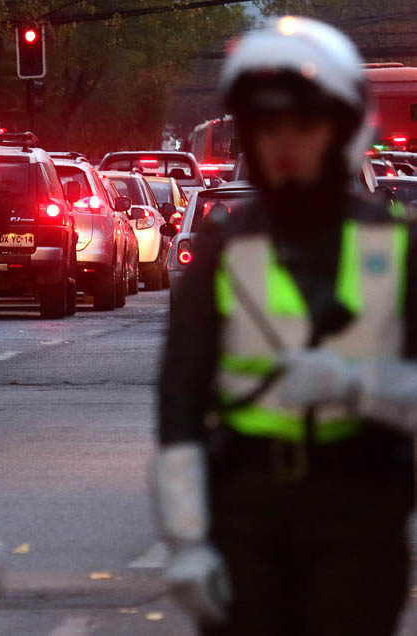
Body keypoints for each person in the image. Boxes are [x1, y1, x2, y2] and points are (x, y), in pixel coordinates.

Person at [155, 16, 417, 636]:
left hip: (361, 514)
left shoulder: (397, 249)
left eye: (303, 124)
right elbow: (179, 410)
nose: (284, 144)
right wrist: (188, 539)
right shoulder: (220, 250)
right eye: (267, 126)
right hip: (245, 516)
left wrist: (357, 388)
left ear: (344, 128)